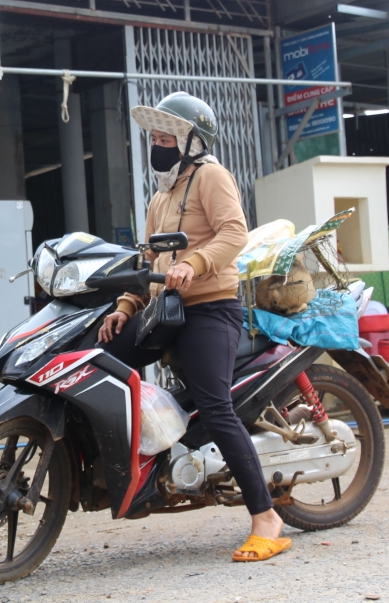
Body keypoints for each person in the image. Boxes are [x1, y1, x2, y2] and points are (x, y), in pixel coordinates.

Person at [96, 92, 291, 563]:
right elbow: (150, 260)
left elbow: (234, 232)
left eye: (168, 138)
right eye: (155, 139)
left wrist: (196, 262)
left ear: (193, 142)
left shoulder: (211, 176)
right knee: (104, 360)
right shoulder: (160, 197)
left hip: (210, 308)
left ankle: (266, 518)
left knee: (214, 404)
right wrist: (125, 304)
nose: (159, 146)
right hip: (166, 311)